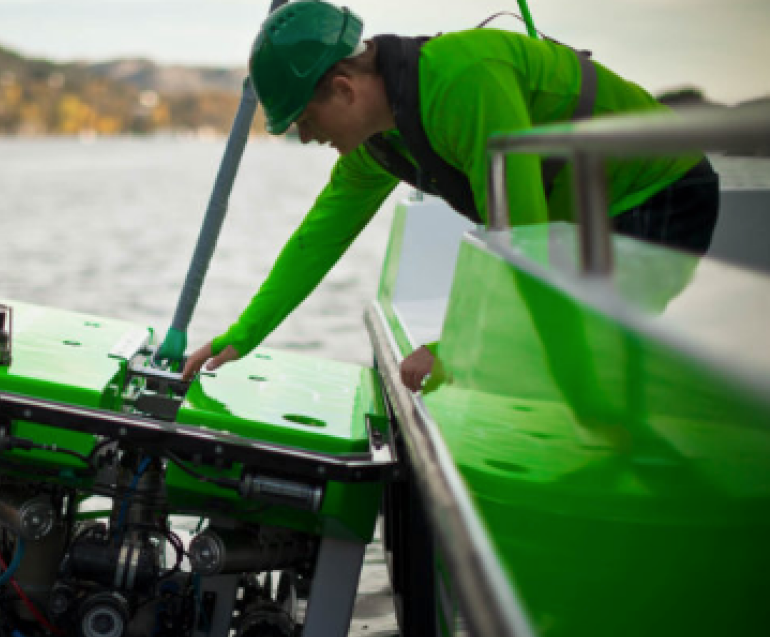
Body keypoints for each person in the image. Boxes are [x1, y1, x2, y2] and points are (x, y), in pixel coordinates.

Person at [180, 0, 719, 389]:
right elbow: (317, 239)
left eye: (303, 117)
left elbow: (522, 242)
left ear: (344, 88)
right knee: (557, 355)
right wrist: (243, 335)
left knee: (582, 360)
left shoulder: (465, 84)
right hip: (583, 217)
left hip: (660, 190)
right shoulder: (377, 142)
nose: (304, 135)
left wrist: (454, 349)